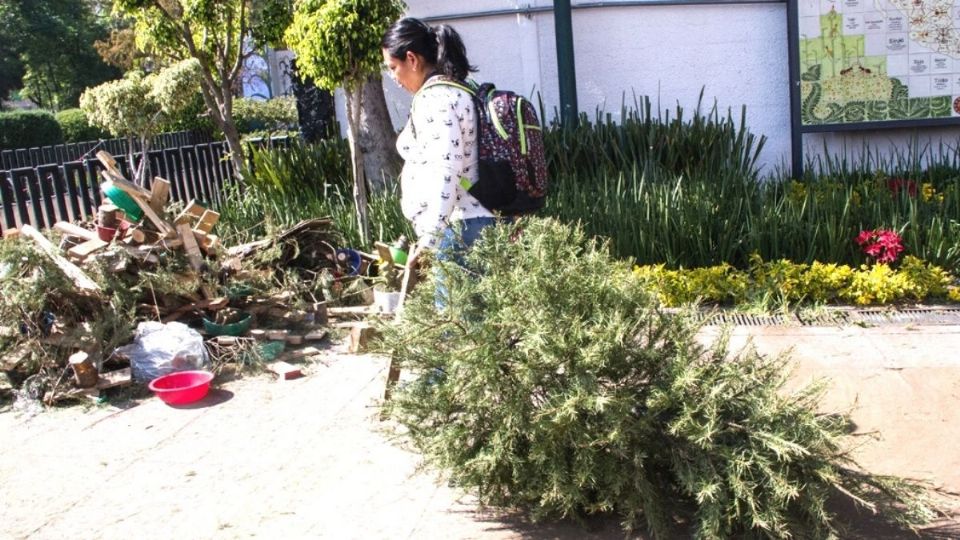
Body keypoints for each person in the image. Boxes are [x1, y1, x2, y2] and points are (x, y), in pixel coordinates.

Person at [381, 18, 497, 293]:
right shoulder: (456, 91)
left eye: (393, 68)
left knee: (456, 329)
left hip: (461, 230)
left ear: (412, 59)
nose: (394, 78)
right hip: (469, 225)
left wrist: (430, 239)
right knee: (473, 330)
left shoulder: (437, 99)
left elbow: (447, 169)